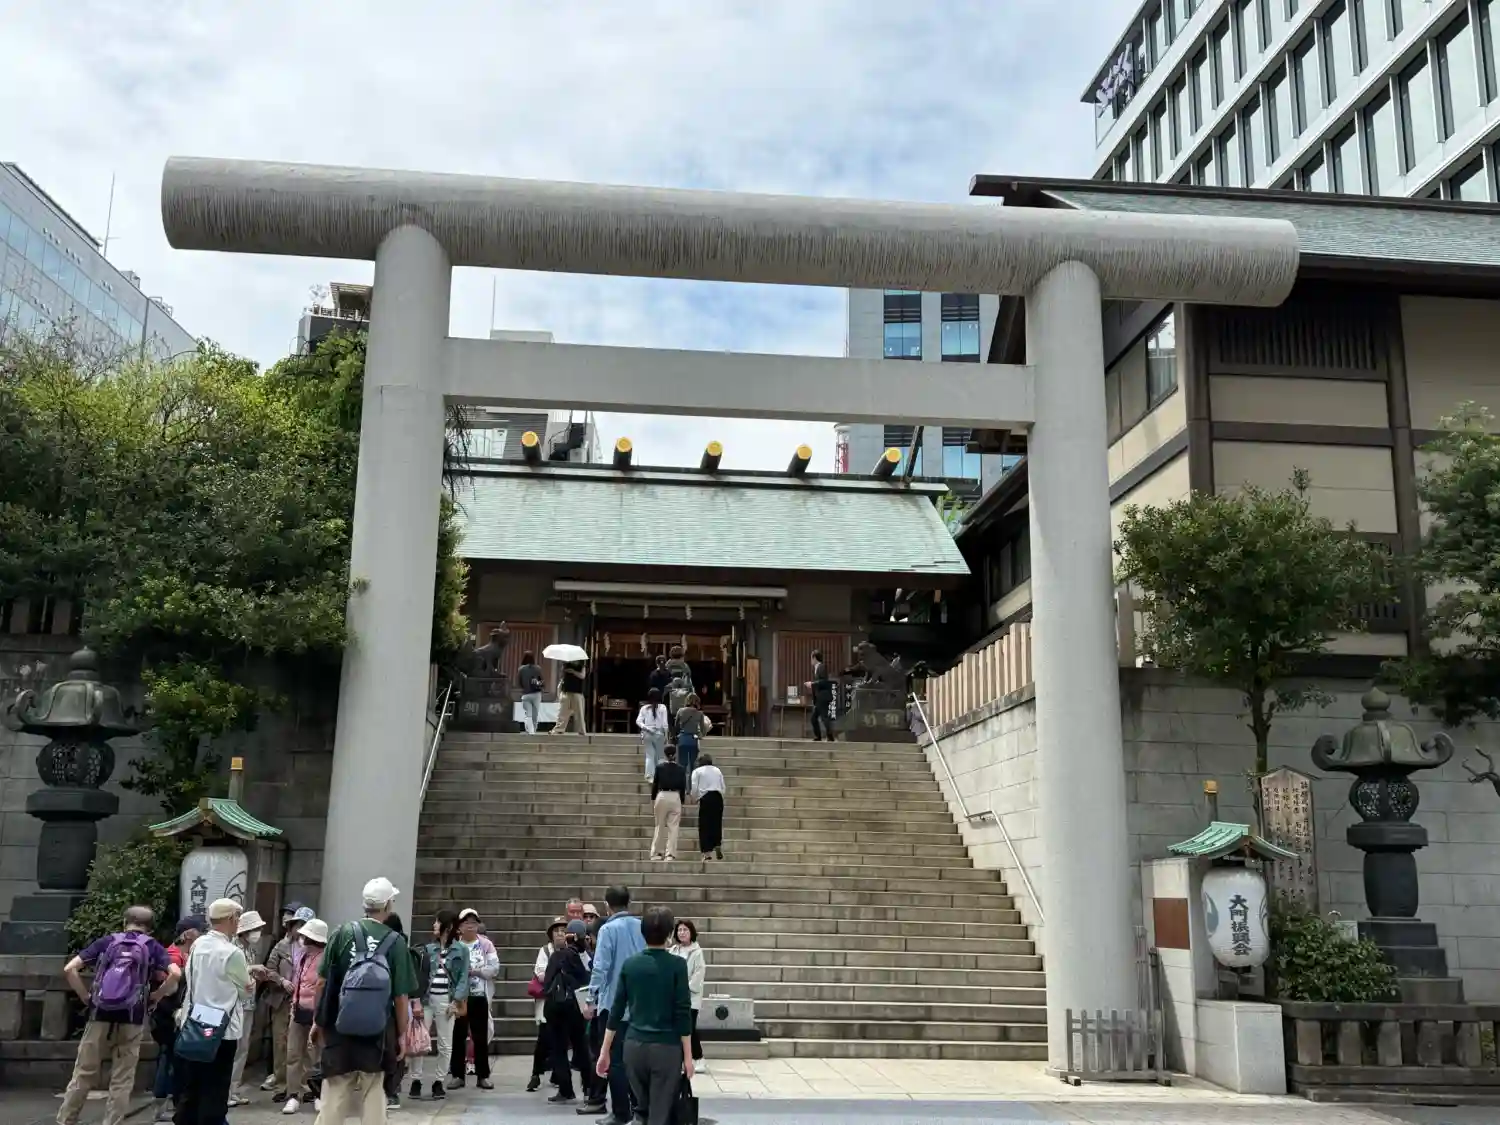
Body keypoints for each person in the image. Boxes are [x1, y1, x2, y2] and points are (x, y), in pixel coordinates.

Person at [57, 905, 178, 1125]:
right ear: (150, 928)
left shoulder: (108, 942)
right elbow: (175, 974)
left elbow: (69, 969)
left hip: (100, 1014)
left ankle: (66, 1119)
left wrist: (86, 996)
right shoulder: (152, 946)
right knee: (122, 1078)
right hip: (132, 1017)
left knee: (84, 1072)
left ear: (125, 923)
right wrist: (156, 996)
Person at [313, 877, 415, 1125]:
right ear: (388, 905)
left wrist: (318, 1021)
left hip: (339, 1027)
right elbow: (401, 996)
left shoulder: (341, 933)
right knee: (373, 1091)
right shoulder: (396, 942)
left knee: (335, 1090)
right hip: (378, 1032)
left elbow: (321, 982)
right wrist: (402, 1034)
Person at [596, 906, 693, 1125]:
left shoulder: (631, 965)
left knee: (643, 1109)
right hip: (666, 1048)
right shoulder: (677, 965)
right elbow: (683, 1013)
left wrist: (604, 1051)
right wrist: (688, 1057)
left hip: (634, 1047)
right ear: (670, 934)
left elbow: (616, 1010)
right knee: (659, 1112)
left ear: (643, 932)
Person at [176, 899, 252, 1125]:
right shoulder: (232, 953)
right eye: (238, 918)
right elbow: (245, 992)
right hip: (222, 1029)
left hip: (195, 1023)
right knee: (216, 1088)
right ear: (232, 919)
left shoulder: (198, 945)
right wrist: (251, 983)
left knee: (193, 1085)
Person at [583, 885, 645, 1124]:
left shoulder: (608, 929)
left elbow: (601, 967)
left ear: (606, 905)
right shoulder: (642, 926)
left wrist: (590, 999)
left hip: (613, 1004)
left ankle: (621, 1112)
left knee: (615, 1060)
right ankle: (640, 1109)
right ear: (629, 901)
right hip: (640, 1003)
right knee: (636, 1060)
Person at [410, 909, 467, 1102]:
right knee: (419, 1040)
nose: (434, 925)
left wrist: (456, 1001)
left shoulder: (461, 950)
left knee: (445, 1043)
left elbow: (463, 978)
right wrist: (416, 1000)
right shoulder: (428, 949)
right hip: (426, 999)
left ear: (447, 927)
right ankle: (416, 1079)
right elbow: (421, 976)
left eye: (437, 922)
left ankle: (439, 1081)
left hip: (446, 999)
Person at [259, 904, 306, 1101]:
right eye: (297, 925)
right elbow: (269, 970)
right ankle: (281, 1086)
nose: (300, 930)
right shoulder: (281, 946)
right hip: (282, 1000)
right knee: (280, 1043)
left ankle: (302, 1086)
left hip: (304, 1001)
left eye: (304, 925)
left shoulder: (315, 949)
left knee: (303, 1045)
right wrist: (282, 981)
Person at [542, 919, 592, 1104]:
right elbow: (589, 979)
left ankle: (566, 1090)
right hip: (579, 1007)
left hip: (558, 1009)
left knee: (559, 1049)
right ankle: (589, 1089)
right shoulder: (588, 957)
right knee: (582, 1048)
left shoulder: (558, 956)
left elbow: (547, 983)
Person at [282, 917, 327, 1115]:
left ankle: (316, 1094)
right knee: (293, 1054)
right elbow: (297, 982)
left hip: (316, 1014)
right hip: (298, 1010)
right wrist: (293, 1005)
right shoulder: (302, 956)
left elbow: (323, 988)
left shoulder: (325, 959)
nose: (302, 939)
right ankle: (293, 1095)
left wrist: (320, 1017)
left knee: (315, 1055)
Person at [450, 908, 498, 1089]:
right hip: (459, 998)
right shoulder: (455, 945)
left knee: (480, 1037)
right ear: (459, 926)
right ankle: (457, 1075)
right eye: (466, 923)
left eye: (473, 923)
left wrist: (476, 971)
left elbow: (494, 968)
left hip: (479, 995)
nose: (470, 926)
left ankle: (482, 1075)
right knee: (458, 1036)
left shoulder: (485, 944)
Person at [227, 910, 267, 1107]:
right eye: (255, 929)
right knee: (233, 1049)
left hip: (248, 1004)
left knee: (243, 1049)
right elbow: (231, 972)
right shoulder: (232, 948)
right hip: (235, 1004)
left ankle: (233, 1091)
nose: (257, 933)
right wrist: (252, 969)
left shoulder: (250, 949)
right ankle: (226, 1092)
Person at [672, 921, 707, 1071]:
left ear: (691, 932)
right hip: (674, 997)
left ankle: (699, 1058)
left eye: (685, 930)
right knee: (677, 1029)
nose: (682, 932)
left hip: (690, 997)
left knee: (689, 1028)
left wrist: (684, 988)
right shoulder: (673, 950)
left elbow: (698, 974)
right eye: (679, 930)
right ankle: (680, 1060)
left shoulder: (697, 952)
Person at [650, 743, 688, 862]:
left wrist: (653, 798)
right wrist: (682, 800)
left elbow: (655, 784)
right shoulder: (681, 769)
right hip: (675, 796)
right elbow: (683, 786)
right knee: (673, 827)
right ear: (675, 754)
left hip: (662, 795)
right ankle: (670, 854)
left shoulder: (659, 767)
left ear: (665, 755)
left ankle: (656, 852)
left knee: (659, 825)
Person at [690, 753, 727, 861]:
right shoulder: (717, 770)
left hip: (706, 798)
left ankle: (707, 853)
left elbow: (694, 787)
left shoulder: (697, 771)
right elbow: (723, 786)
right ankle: (717, 843)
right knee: (716, 823)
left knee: (705, 825)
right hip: (717, 797)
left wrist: (694, 799)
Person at [636, 688, 669, 781]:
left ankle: (649, 776)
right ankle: (659, 776)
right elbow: (665, 724)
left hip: (647, 733)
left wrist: (645, 727)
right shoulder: (662, 707)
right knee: (660, 756)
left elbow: (638, 721)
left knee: (649, 756)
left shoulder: (644, 708)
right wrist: (666, 735)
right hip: (659, 733)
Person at [674, 693, 711, 777]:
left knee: (682, 764)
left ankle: (682, 783)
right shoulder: (699, 714)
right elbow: (703, 730)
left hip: (682, 739)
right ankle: (692, 783)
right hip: (693, 740)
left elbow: (676, 726)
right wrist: (701, 735)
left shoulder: (680, 711)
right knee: (693, 764)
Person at [552, 660, 588, 735]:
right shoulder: (566, 664)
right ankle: (559, 729)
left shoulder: (581, 665)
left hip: (577, 692)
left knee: (579, 713)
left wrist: (573, 672)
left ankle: (581, 730)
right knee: (562, 712)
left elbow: (582, 676)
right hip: (566, 691)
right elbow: (562, 676)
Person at [808, 649, 835, 742]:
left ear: (814, 658)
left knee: (823, 717)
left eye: (811, 658)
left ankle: (829, 736)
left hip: (823, 696)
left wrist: (812, 684)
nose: (810, 661)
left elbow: (824, 681)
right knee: (815, 718)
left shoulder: (822, 667)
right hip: (819, 697)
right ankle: (820, 736)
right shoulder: (817, 668)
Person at [517, 650, 545, 735]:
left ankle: (530, 730)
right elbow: (542, 681)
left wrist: (524, 687)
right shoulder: (538, 668)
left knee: (528, 714)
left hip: (526, 694)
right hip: (536, 694)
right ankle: (534, 730)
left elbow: (519, 682)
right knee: (535, 713)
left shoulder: (521, 669)